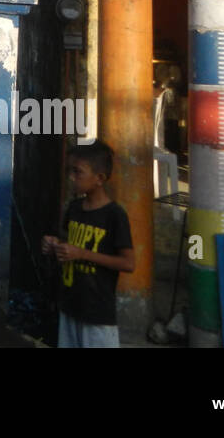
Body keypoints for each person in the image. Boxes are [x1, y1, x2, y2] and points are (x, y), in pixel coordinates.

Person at [41, 140, 135, 348]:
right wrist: (55, 245)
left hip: (97, 313)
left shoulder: (114, 215)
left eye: (77, 172)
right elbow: (70, 243)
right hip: (70, 305)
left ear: (99, 178)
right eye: (69, 171)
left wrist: (82, 254)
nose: (71, 178)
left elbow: (128, 263)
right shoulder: (74, 208)